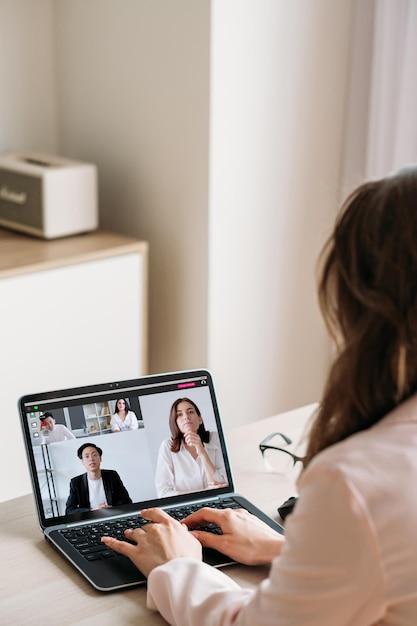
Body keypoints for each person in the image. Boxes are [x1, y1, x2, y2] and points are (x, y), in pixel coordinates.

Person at [102, 166, 417, 624]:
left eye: (192, 409)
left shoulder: (355, 484)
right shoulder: (166, 453)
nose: (188, 416)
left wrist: (177, 568)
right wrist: (288, 549)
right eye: (181, 412)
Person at [154, 397, 228, 497]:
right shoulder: (168, 446)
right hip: (187, 504)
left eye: (190, 412)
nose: (186, 417)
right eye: (180, 414)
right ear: (175, 423)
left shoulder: (215, 438)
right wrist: (203, 493)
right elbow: (163, 493)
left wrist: (202, 452)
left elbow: (223, 484)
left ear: (200, 419)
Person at [65, 442, 132, 515]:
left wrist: (111, 508)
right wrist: (93, 510)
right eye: (87, 456)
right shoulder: (76, 482)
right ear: (82, 462)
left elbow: (127, 501)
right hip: (90, 519)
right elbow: (69, 511)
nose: (91, 459)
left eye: (94, 455)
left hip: (112, 515)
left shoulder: (112, 476)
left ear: (100, 458)